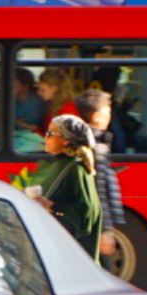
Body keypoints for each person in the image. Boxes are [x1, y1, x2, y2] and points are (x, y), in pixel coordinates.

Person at [27, 113, 104, 258]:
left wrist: (54, 207)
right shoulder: (61, 164)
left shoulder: (75, 167)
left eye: (50, 133)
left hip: (73, 259)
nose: (45, 137)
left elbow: (87, 215)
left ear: (66, 140)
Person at [74, 87, 129, 263]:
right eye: (107, 111)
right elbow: (98, 193)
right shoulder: (96, 149)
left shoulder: (80, 142)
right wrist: (105, 230)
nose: (110, 116)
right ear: (97, 116)